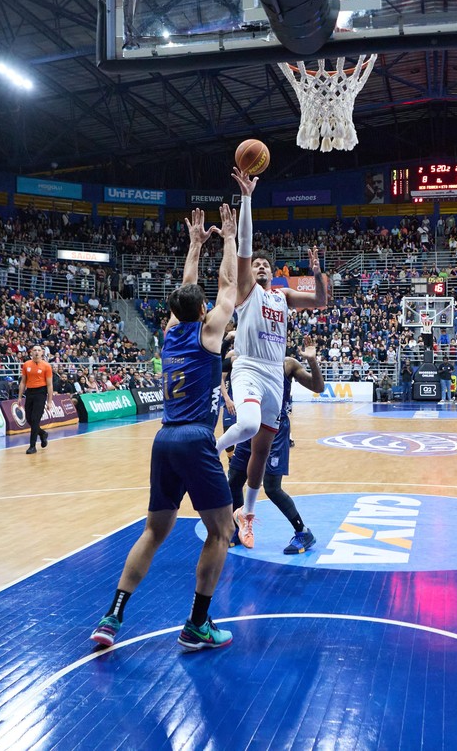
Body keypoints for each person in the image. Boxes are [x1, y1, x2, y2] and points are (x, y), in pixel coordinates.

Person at [91, 204, 238, 651]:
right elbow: (229, 285)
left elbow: (187, 291)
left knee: (154, 531)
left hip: (163, 440)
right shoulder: (207, 332)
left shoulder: (173, 330)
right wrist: (230, 238)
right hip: (194, 437)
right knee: (221, 531)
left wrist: (194, 245)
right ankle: (197, 625)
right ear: (203, 311)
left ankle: (111, 617)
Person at [215, 168, 328, 550]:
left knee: (259, 457)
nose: (260, 266)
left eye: (266, 264)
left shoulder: (282, 296)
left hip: (271, 374)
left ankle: (246, 518)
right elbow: (245, 247)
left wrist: (316, 273)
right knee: (246, 426)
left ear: (274, 271)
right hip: (248, 366)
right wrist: (246, 198)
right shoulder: (247, 291)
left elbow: (320, 300)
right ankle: (205, 450)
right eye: (257, 264)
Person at [227, 337, 322, 552]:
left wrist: (312, 362)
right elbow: (216, 367)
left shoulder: (288, 364)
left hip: (274, 430)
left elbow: (319, 386)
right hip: (249, 425)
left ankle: (303, 532)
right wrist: (227, 340)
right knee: (234, 479)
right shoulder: (242, 358)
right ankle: (238, 527)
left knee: (271, 487)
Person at [17, 345, 53, 455]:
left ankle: (32, 446)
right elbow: (23, 382)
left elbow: (50, 385)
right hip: (30, 392)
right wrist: (19, 396)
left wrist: (49, 401)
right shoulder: (26, 364)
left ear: (42, 353)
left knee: (35, 419)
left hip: (41, 393)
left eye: (38, 350)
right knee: (29, 419)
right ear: (31, 352)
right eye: (34, 350)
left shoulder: (46, 366)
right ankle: (42, 434)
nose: (36, 352)